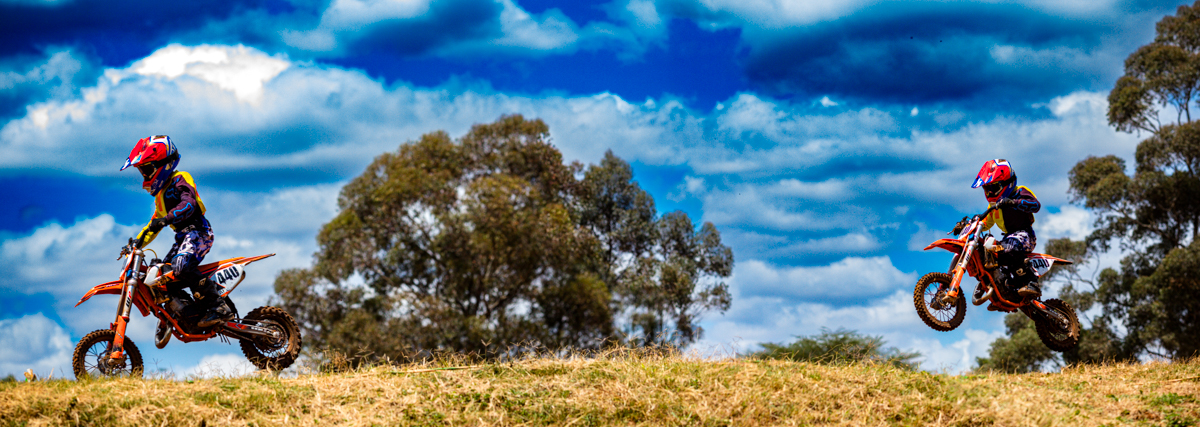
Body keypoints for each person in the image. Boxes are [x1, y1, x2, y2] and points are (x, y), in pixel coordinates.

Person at [121, 135, 231, 328]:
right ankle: (185, 310)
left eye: (147, 169)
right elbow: (152, 225)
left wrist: (167, 219)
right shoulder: (161, 197)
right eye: (142, 171)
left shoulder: (181, 178)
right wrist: (136, 244)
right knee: (159, 275)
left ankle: (218, 306)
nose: (145, 176)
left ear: (164, 164)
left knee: (181, 265)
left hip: (198, 232)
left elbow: (189, 203)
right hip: (182, 239)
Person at [970, 159, 1042, 299]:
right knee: (985, 251)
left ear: (1007, 183)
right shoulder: (993, 206)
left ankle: (1031, 282)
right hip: (1007, 238)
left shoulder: (1019, 192)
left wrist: (1014, 202)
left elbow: (1035, 205)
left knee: (1009, 247)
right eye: (987, 189)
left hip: (1025, 235)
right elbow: (985, 223)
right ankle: (1000, 286)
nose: (990, 193)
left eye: (993, 188)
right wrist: (971, 224)